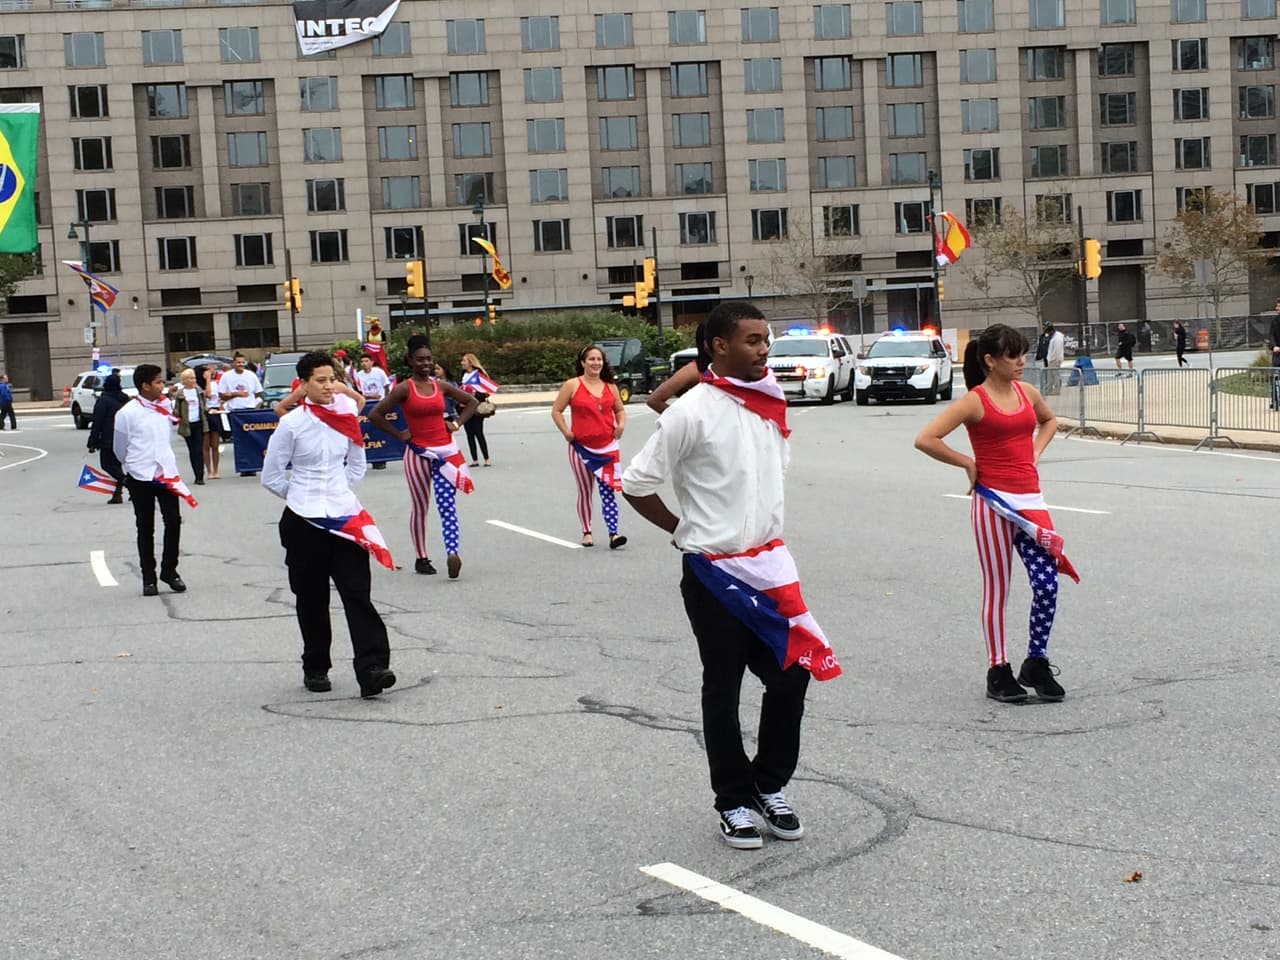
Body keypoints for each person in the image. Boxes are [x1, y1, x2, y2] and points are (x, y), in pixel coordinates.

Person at [621, 301, 841, 851]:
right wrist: (681, 530)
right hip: (714, 573)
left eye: (766, 339)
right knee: (724, 687)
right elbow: (636, 483)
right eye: (752, 340)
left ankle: (768, 784)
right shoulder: (690, 413)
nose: (764, 349)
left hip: (770, 568)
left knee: (792, 674)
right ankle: (733, 801)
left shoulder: (769, 401)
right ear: (719, 346)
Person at [914, 323, 1078, 704]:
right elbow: (926, 439)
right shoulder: (975, 401)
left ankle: (1035, 661)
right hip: (993, 503)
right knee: (998, 588)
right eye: (1012, 355)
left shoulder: (1028, 392)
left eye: (1022, 353)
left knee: (1047, 583)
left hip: (1030, 502)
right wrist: (967, 463)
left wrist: (1035, 452)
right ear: (990, 360)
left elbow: (1049, 420)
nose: (1021, 361)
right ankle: (998, 669)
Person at [262, 351, 397, 699]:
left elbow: (357, 464)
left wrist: (336, 492)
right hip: (303, 521)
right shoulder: (292, 424)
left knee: (357, 592)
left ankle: (372, 669)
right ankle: (316, 666)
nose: (328, 386)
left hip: (344, 517)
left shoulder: (346, 415)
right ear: (303, 384)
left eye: (332, 379)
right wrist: (302, 497)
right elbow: (271, 476)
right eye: (320, 380)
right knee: (311, 598)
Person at [369, 336, 478, 579]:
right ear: (410, 360)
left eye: (429, 359)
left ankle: (452, 552)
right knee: (421, 505)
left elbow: (471, 402)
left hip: (445, 453)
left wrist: (457, 423)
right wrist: (400, 435)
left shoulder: (441, 386)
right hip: (418, 454)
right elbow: (376, 414)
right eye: (420, 360)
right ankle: (421, 557)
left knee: (447, 504)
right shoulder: (404, 388)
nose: (426, 363)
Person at [114, 364, 195, 596]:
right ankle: (148, 577)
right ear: (145, 386)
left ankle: (169, 570)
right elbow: (119, 448)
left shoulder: (165, 406)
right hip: (140, 475)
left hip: (165, 474)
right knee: (145, 526)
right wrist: (133, 465)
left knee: (173, 521)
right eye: (158, 382)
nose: (163, 385)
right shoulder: (127, 413)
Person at [551, 345, 629, 549]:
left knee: (608, 490)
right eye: (591, 359)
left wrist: (621, 425)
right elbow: (557, 411)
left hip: (607, 447)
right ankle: (587, 531)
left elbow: (620, 410)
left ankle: (614, 533)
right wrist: (566, 432)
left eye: (599, 359)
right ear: (583, 362)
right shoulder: (572, 385)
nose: (596, 363)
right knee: (585, 490)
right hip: (581, 448)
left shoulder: (610, 386)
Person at [87, 371, 129, 504]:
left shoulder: (103, 401)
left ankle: (129, 483)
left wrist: (92, 442)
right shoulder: (124, 399)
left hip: (108, 438)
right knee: (117, 465)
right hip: (124, 436)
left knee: (107, 465)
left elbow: (97, 422)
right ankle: (117, 494)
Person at [220, 352, 264, 477]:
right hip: (235, 411)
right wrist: (236, 394)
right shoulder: (226, 376)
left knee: (251, 438)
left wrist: (255, 404)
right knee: (239, 440)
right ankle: (243, 466)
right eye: (238, 362)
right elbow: (222, 395)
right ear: (233, 363)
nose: (240, 364)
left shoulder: (251, 375)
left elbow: (259, 392)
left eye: (242, 362)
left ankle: (252, 466)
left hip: (249, 410)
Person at [353, 354, 393, 470]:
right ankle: (369, 458)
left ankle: (380, 460)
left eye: (366, 361)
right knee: (367, 432)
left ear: (371, 362)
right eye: (362, 361)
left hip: (379, 405)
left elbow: (386, 387)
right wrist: (370, 397)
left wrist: (386, 401)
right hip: (366, 406)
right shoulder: (358, 375)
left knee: (379, 432)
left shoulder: (379, 372)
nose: (364, 363)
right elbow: (358, 392)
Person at [172, 368, 208, 485]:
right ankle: (196, 473)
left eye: (194, 378)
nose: (193, 380)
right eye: (191, 378)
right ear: (185, 380)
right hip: (187, 424)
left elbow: (204, 405)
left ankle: (200, 475)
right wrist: (174, 418)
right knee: (192, 450)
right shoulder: (180, 394)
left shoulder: (199, 392)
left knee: (199, 450)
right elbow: (177, 409)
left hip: (199, 423)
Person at [458, 353, 494, 467]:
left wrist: (475, 394)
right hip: (464, 407)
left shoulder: (479, 375)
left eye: (464, 361)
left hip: (476, 407)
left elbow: (486, 392)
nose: (462, 363)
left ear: (470, 362)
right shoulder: (462, 375)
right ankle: (475, 459)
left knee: (478, 432)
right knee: (469, 434)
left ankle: (486, 458)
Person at [202, 365, 227, 479]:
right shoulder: (199, 385)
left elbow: (220, 397)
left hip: (215, 412)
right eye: (208, 370)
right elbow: (208, 394)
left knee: (215, 445)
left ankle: (216, 470)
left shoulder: (216, 383)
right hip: (205, 413)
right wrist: (207, 380)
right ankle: (209, 471)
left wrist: (221, 403)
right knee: (206, 445)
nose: (211, 371)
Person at [1042, 321, 1065, 396]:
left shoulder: (1057, 338)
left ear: (1051, 331)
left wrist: (1052, 359)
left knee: (1055, 375)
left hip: (1055, 360)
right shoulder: (1055, 337)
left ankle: (1056, 390)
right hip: (1052, 360)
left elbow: (1056, 351)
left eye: (1048, 332)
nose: (1048, 334)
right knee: (1050, 376)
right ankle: (1049, 390)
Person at [1269, 300, 1280, 410]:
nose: (1277, 308)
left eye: (1279, 306)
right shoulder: (1274, 320)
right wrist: (1274, 346)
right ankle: (1274, 400)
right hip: (1277, 353)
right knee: (1274, 375)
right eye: (1277, 306)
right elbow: (1271, 335)